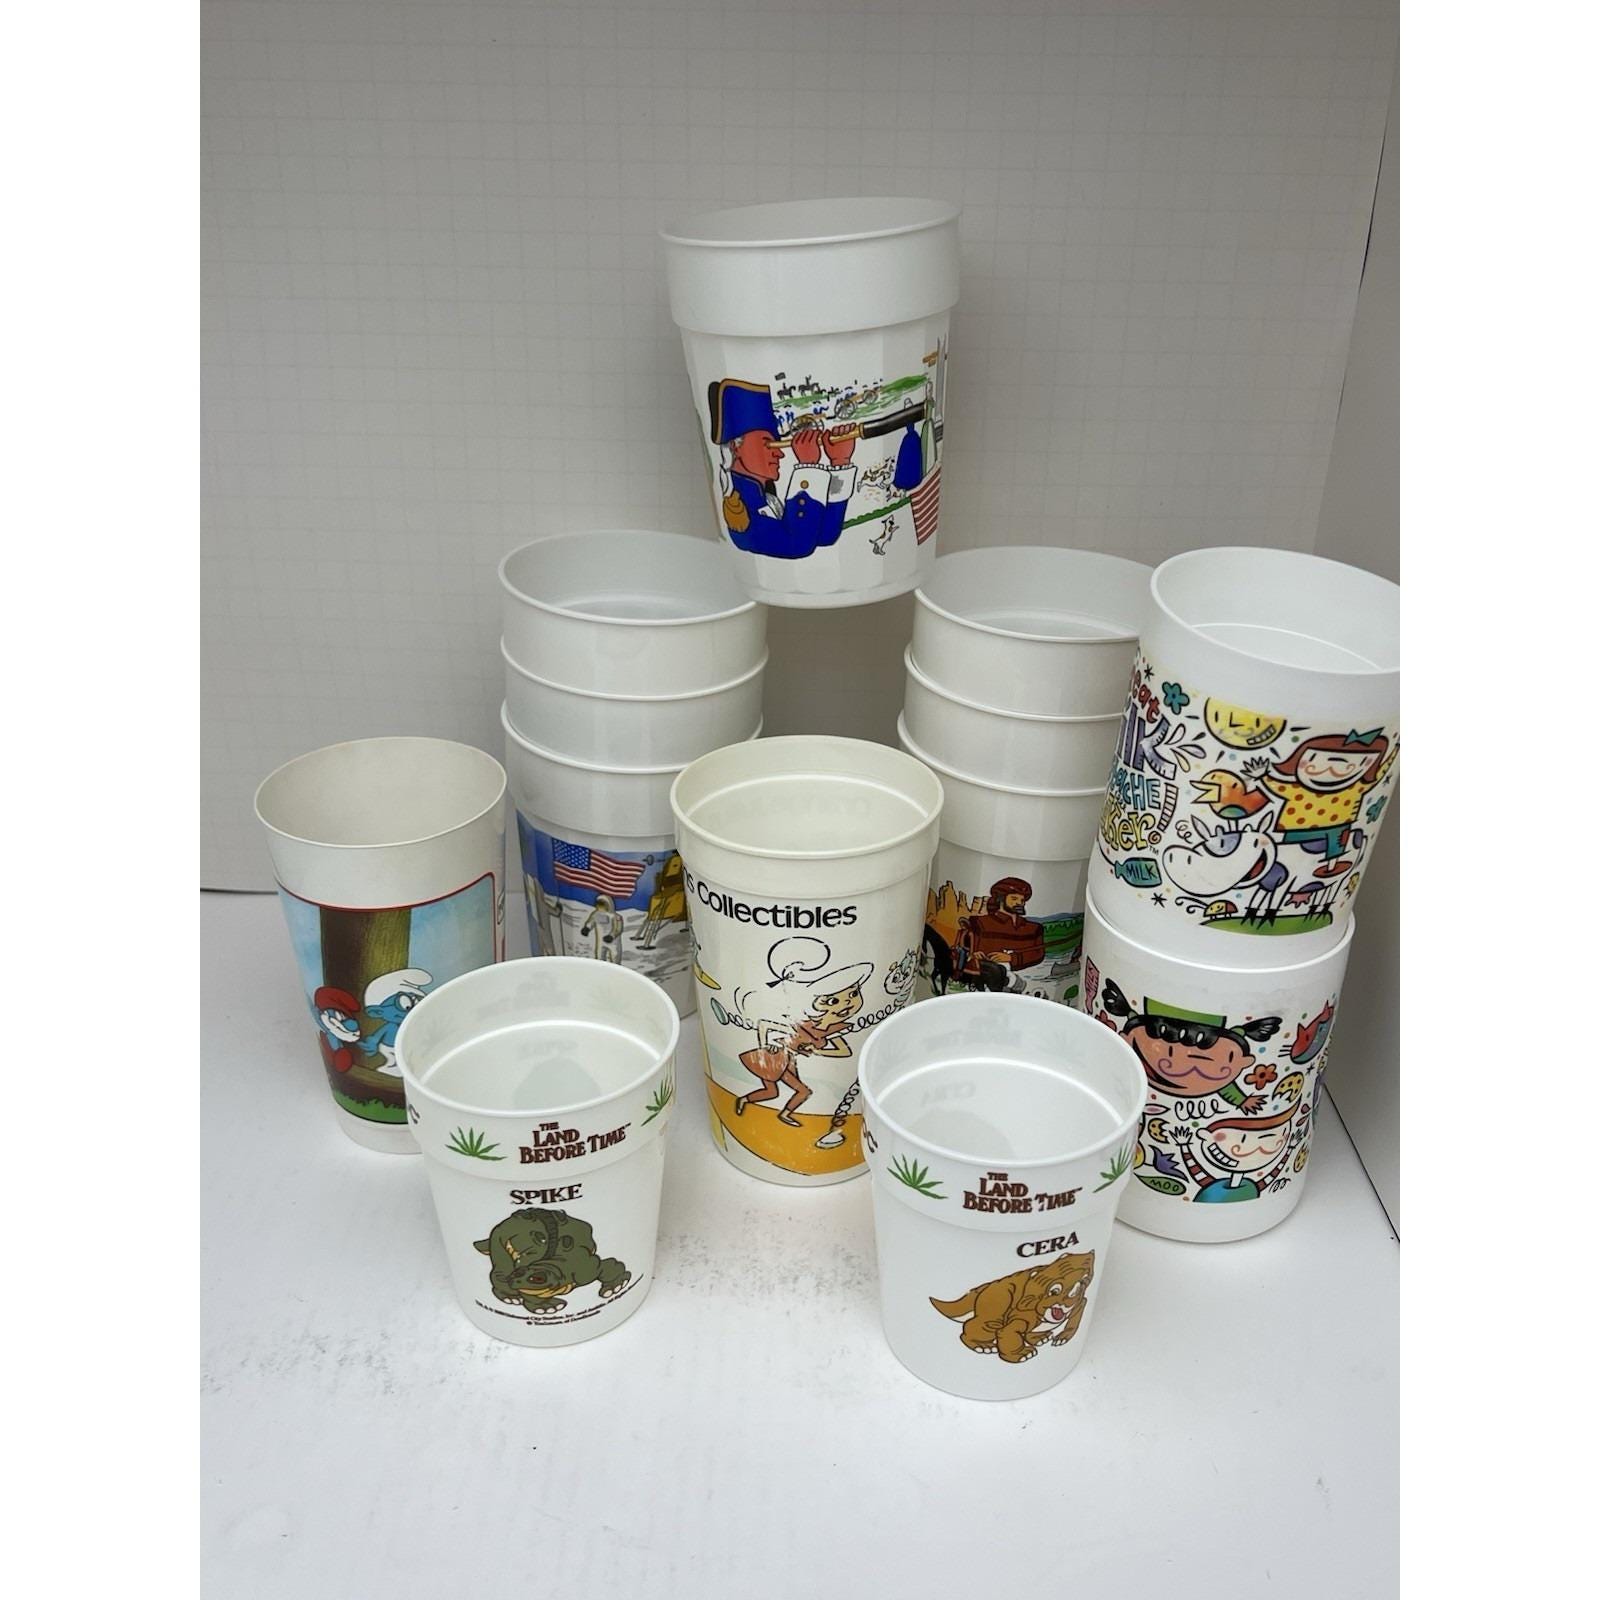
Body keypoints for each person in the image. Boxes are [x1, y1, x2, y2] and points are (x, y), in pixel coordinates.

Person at [707, 379, 858, 560]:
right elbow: (798, 545)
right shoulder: (739, 508)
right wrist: (807, 467)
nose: (779, 454)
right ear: (735, 447)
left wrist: (839, 461)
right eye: (768, 444)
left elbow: (826, 534)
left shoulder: (765, 498)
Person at [1245, 728, 1398, 879]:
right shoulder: (1297, 789)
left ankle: (1331, 867)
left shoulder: (1356, 788)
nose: (1333, 770)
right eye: (1314, 761)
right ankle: (1284, 871)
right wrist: (1261, 776)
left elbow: (1379, 774)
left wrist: (1394, 753)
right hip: (1299, 826)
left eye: (1361, 763)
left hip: (1338, 824)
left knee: (1336, 848)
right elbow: (1277, 786)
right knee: (1290, 851)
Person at [580, 894, 624, 963]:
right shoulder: (596, 914)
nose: (600, 907)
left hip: (613, 942)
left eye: (603, 905)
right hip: (601, 941)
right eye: (599, 905)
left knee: (615, 956)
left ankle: (615, 967)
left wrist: (612, 936)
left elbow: (618, 928)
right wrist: (587, 928)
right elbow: (591, 922)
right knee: (599, 956)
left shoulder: (616, 917)